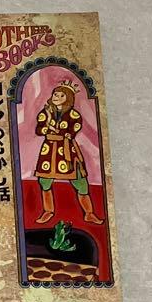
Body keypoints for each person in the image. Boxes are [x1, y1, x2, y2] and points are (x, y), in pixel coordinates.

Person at [33, 80, 102, 225]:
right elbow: (39, 130)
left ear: (68, 98)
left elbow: (73, 128)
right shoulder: (46, 112)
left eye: (61, 95)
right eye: (55, 94)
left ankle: (89, 213)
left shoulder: (73, 114)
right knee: (44, 181)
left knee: (80, 181)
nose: (56, 97)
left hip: (67, 150)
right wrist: (47, 128)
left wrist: (63, 132)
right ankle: (48, 211)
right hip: (49, 151)